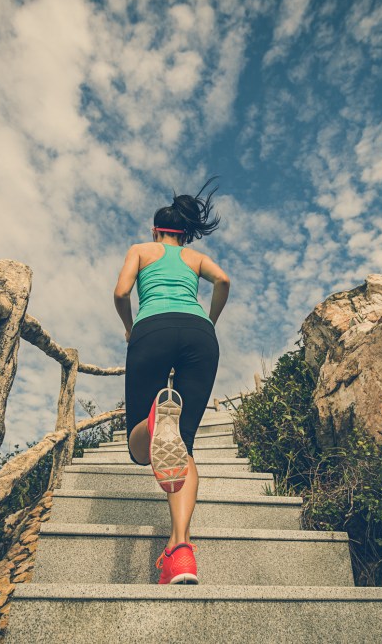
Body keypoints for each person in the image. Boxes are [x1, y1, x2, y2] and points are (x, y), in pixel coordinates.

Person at [113, 179, 230, 585]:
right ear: (183, 232)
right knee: (184, 445)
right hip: (200, 335)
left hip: (153, 329)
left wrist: (131, 328)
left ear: (155, 231)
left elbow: (121, 292)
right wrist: (208, 322)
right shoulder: (196, 258)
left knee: (140, 449)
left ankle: (154, 421)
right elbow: (224, 281)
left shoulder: (141, 250)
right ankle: (180, 551)